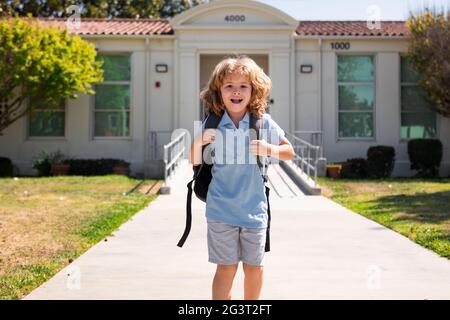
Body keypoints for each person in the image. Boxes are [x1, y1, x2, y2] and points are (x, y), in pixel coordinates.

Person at [189, 54, 295, 300]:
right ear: (219, 91)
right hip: (220, 209)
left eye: (243, 86)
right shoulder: (212, 123)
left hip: (254, 209)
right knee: (226, 268)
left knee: (254, 268)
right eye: (229, 86)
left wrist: (270, 150)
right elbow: (195, 161)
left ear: (253, 90)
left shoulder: (263, 122)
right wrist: (198, 141)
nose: (236, 92)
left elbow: (289, 151)